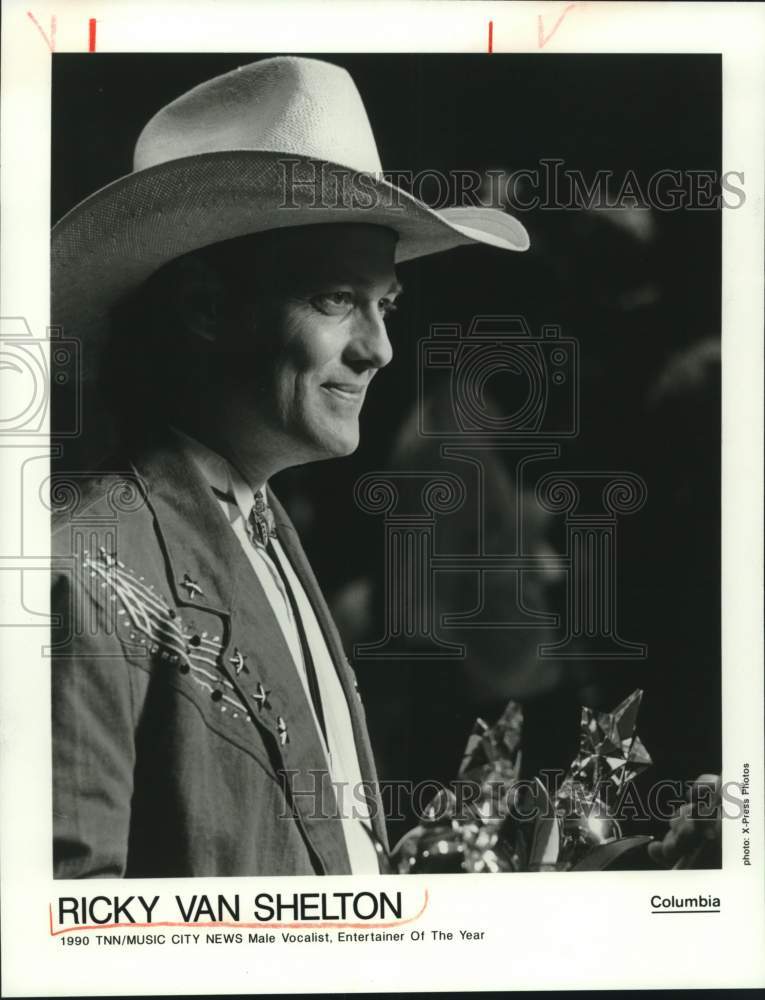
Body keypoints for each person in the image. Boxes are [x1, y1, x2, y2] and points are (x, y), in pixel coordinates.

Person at [49, 56, 529, 877]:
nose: (377, 349)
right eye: (335, 299)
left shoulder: (254, 523)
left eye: (385, 305)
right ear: (204, 308)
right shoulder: (86, 565)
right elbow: (68, 922)